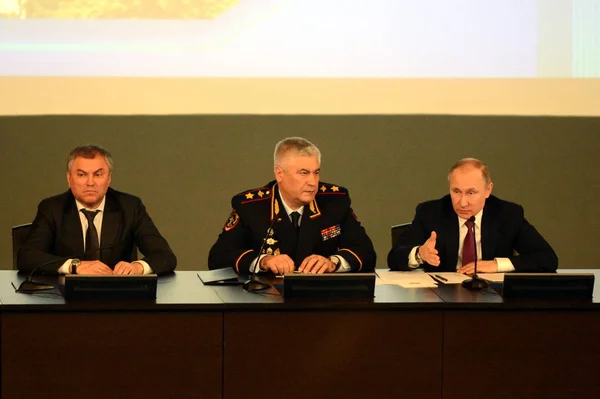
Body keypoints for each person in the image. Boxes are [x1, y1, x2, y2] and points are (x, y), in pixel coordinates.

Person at [208, 137, 376, 274]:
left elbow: (366, 252)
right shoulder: (251, 207)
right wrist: (264, 261)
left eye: (316, 173)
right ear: (279, 174)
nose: (312, 182)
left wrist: (333, 262)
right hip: (266, 302)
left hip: (322, 301)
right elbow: (218, 257)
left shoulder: (335, 201)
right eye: (303, 173)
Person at [17, 145, 177, 275]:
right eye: (82, 175)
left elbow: (165, 256)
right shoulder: (52, 208)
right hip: (65, 300)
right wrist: (74, 266)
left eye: (98, 175)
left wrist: (138, 267)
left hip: (118, 299)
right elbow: (27, 256)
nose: (90, 182)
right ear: (69, 179)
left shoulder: (130, 206)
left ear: (109, 179)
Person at [387, 158, 558, 273]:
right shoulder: (431, 212)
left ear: (488, 190)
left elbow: (547, 258)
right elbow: (394, 257)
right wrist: (420, 254)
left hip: (492, 301)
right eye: (456, 191)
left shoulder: (507, 214)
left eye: (471, 193)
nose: (462, 202)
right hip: (442, 301)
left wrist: (496, 265)